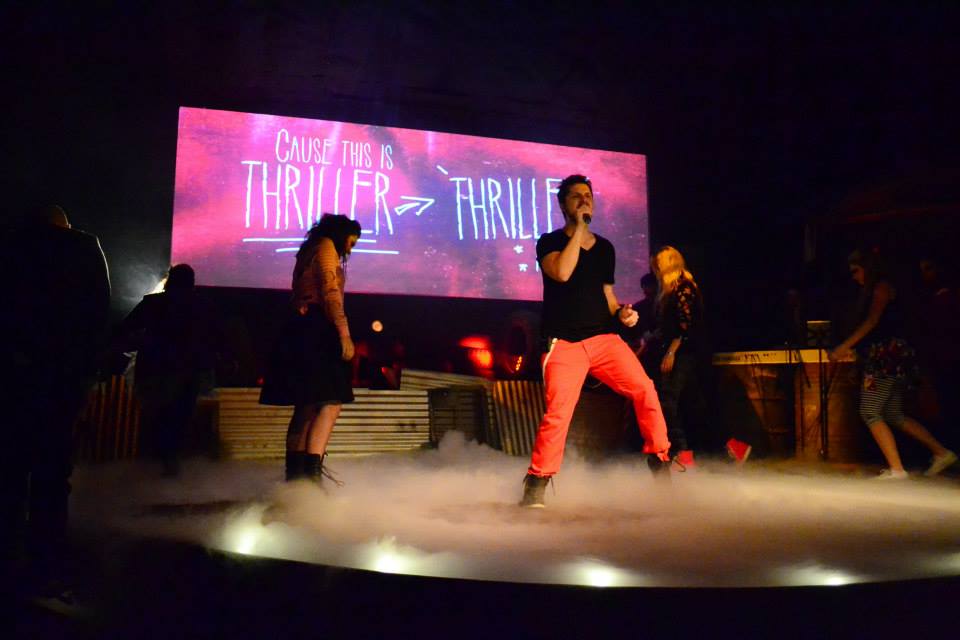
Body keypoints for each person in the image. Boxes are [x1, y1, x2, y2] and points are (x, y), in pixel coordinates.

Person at [519, 175, 670, 508]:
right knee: (559, 412)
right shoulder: (549, 241)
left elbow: (608, 296)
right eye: (576, 196)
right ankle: (537, 482)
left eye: (588, 196)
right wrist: (579, 231)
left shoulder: (605, 248)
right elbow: (562, 273)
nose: (584, 200)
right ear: (563, 205)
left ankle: (660, 461)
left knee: (644, 389)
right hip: (564, 343)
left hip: (603, 339)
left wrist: (623, 314)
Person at [1, 204, 110, 606]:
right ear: (64, 225)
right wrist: (86, 376)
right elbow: (98, 313)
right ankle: (45, 571)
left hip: (12, 379)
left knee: (10, 475)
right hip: (60, 381)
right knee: (51, 478)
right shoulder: (82, 248)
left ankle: (8, 565)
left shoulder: (11, 247)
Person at [829, 249, 956, 478]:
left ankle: (897, 469)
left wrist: (844, 347)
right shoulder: (877, 289)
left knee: (870, 411)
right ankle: (941, 452)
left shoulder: (881, 287)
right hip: (891, 356)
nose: (854, 277)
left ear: (868, 268)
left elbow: (872, 322)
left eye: (856, 271)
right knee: (893, 413)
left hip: (886, 357)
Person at [260, 214, 361, 485]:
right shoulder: (327, 247)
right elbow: (330, 292)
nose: (350, 249)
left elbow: (299, 293)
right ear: (342, 234)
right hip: (319, 330)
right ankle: (312, 478)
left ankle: (297, 480)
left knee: (305, 406)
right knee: (331, 402)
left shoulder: (308, 249)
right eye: (351, 242)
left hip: (299, 329)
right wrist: (344, 334)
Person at [119, 264, 220, 476]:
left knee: (158, 416)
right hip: (189, 369)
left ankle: (156, 464)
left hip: (157, 368)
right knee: (180, 416)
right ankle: (170, 463)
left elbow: (126, 328)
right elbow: (213, 337)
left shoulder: (153, 303)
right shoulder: (203, 304)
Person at [651, 246, 711, 469]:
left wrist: (671, 352)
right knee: (694, 403)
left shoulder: (683, 286)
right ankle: (730, 447)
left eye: (658, 264)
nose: (655, 269)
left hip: (683, 352)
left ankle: (681, 451)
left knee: (669, 401)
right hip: (683, 351)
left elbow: (686, 324)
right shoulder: (674, 289)